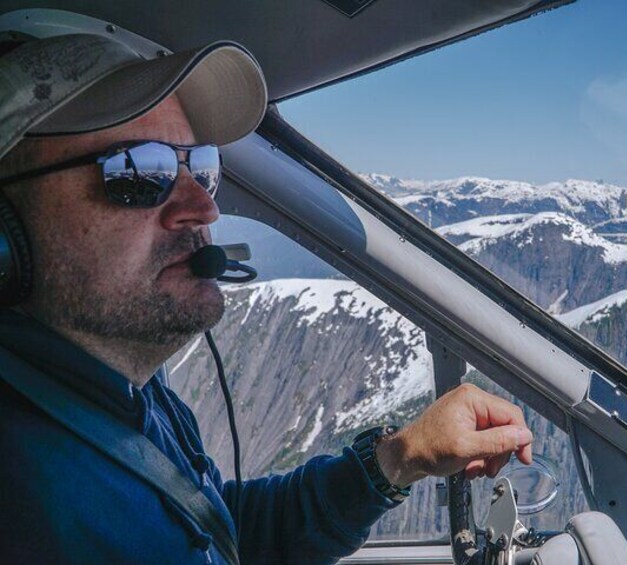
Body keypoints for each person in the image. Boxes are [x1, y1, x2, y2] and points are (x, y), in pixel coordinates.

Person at [0, 31, 534, 564]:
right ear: (8, 233)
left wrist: (401, 457)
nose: (203, 207)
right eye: (138, 171)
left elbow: (217, 531)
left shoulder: (128, 390)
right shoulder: (27, 503)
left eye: (199, 167)